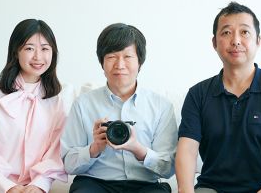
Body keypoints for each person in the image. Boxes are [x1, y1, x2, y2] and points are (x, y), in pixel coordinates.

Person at [175, 2, 261, 193]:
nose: (235, 40)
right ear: (214, 43)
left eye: (244, 32)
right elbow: (187, 150)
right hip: (213, 188)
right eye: (226, 32)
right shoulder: (198, 94)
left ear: (258, 40)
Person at [61, 23, 177, 193]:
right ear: (102, 63)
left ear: (140, 62)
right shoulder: (83, 104)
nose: (119, 64)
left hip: (145, 185)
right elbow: (68, 164)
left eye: (128, 57)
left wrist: (138, 149)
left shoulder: (161, 107)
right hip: (95, 183)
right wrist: (94, 149)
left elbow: (169, 168)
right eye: (112, 57)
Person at [0, 19, 68, 193]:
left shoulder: (57, 101)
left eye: (45, 48)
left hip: (34, 185)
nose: (38, 57)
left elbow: (56, 152)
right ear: (15, 52)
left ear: (53, 53)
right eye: (29, 48)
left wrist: (39, 184)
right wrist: (7, 186)